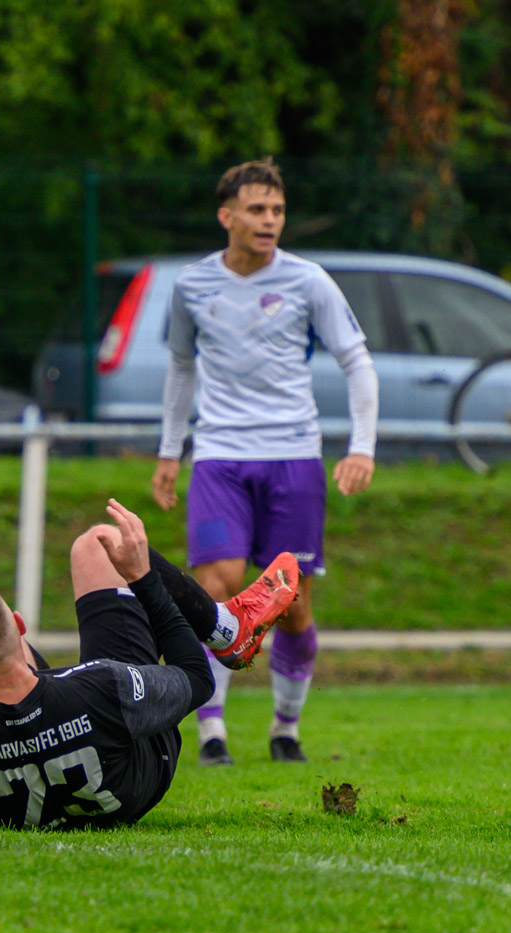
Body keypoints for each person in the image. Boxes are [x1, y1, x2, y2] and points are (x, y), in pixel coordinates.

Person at [0, 500, 299, 830]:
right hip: (135, 781)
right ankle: (227, 630)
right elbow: (197, 679)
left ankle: (226, 629)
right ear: (19, 625)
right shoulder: (104, 682)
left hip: (36, 787)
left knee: (3, 679)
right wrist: (143, 578)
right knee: (99, 543)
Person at [152, 158, 378, 767]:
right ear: (226, 217)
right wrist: (169, 451)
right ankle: (213, 733)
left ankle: (285, 729)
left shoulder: (309, 281)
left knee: (292, 604)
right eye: (256, 209)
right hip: (220, 457)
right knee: (216, 588)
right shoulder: (192, 285)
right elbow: (181, 367)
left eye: (277, 210)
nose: (269, 220)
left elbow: (356, 360)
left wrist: (362, 446)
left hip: (293, 458)